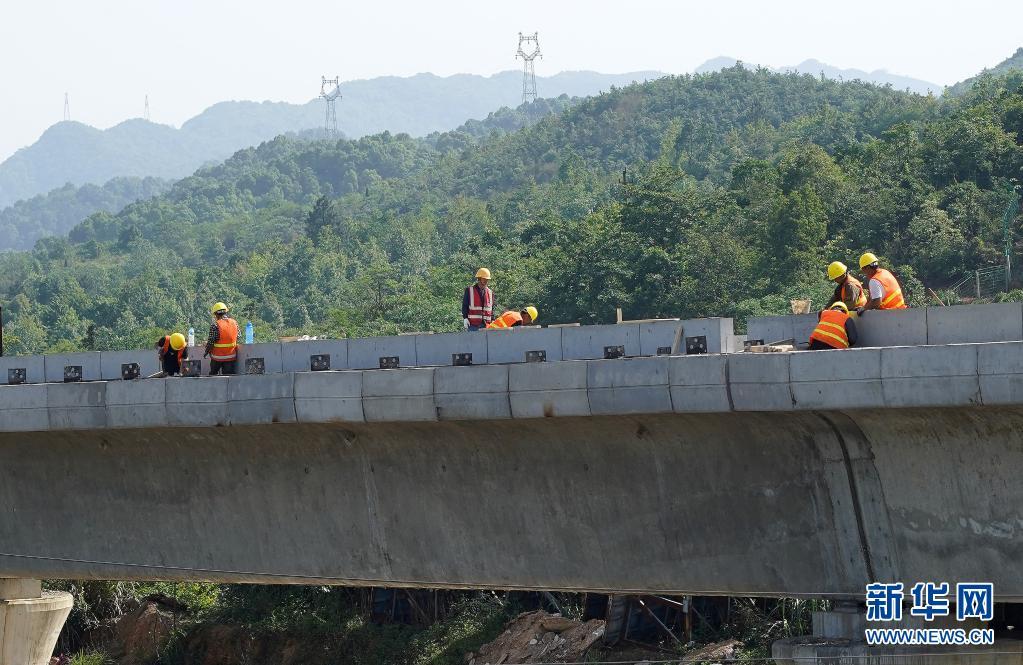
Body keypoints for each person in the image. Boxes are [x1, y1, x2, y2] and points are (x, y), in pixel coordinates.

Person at [204, 302, 239, 375]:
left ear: (216, 314)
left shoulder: (215, 325)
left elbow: (211, 342)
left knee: (213, 375)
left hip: (217, 358)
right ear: (226, 312)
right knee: (228, 378)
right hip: (231, 357)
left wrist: (206, 352)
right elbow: (238, 336)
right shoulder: (234, 323)